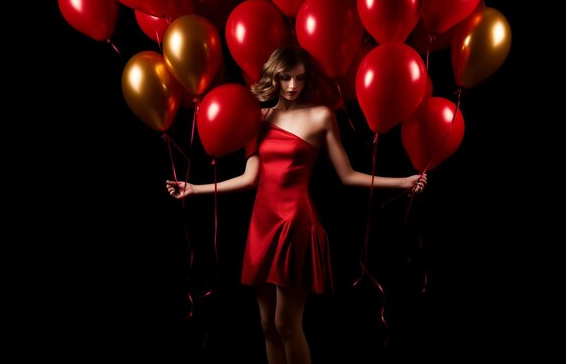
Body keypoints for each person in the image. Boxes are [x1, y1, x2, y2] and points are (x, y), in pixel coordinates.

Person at [166, 45, 427, 364]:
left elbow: (347, 175)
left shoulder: (321, 115)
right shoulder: (258, 117)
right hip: (261, 225)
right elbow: (250, 179)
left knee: (286, 323)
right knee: (266, 326)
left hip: (294, 222)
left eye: (300, 78)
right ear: (273, 78)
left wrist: (402, 181)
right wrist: (194, 188)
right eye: (285, 78)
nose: (292, 86)